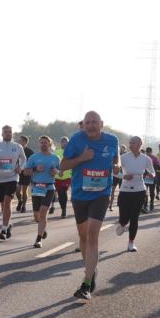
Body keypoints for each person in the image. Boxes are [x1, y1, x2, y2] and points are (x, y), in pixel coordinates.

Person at [60, 111, 120, 300]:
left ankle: (86, 284)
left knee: (93, 234)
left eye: (94, 122)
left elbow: (115, 160)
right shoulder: (76, 140)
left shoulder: (112, 140)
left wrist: (116, 167)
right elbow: (63, 166)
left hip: (101, 193)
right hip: (80, 194)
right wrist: (82, 158)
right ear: (83, 124)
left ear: (101, 124)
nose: (91, 126)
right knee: (83, 237)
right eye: (88, 123)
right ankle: (91, 271)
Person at [0, 126, 27, 240]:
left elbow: (24, 159)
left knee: (7, 202)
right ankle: (8, 225)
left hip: (12, 178)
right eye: (5, 132)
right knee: (3, 206)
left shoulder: (17, 147)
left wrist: (20, 168)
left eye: (10, 132)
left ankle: (3, 230)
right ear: (2, 134)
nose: (8, 134)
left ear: (12, 134)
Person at [116, 137, 156, 252]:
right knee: (124, 218)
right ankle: (123, 224)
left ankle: (131, 243)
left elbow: (152, 171)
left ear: (139, 145)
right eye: (130, 142)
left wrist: (151, 175)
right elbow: (113, 172)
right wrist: (123, 176)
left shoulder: (146, 159)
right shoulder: (122, 158)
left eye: (132, 143)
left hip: (139, 190)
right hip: (125, 190)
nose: (130, 144)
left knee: (134, 218)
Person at [23, 135, 60, 248]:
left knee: (43, 212)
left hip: (49, 188)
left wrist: (56, 171)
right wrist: (35, 169)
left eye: (45, 142)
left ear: (50, 144)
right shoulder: (34, 157)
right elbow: (25, 172)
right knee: (36, 216)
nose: (43, 144)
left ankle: (38, 239)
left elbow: (61, 172)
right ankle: (42, 230)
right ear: (39, 144)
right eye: (41, 142)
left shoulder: (55, 157)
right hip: (37, 188)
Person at [53, 136, 71, 218]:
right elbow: (53, 163)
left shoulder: (72, 152)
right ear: (60, 143)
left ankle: (64, 210)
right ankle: (63, 208)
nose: (64, 143)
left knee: (64, 191)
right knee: (60, 193)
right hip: (58, 176)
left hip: (68, 176)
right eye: (63, 142)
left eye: (66, 141)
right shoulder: (56, 152)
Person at [16, 135, 33, 213]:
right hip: (18, 173)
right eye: (19, 141)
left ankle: (24, 206)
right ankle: (20, 201)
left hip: (26, 173)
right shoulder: (16, 150)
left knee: (24, 190)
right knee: (17, 190)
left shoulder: (30, 151)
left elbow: (33, 162)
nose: (19, 142)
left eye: (21, 141)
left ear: (25, 142)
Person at [142, 147, 159, 212]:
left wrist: (152, 172)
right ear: (146, 152)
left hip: (152, 177)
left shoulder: (154, 158)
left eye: (149, 152)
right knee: (145, 192)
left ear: (151, 152)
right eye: (147, 152)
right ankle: (145, 205)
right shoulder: (143, 158)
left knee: (152, 191)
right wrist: (146, 173)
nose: (148, 154)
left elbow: (158, 167)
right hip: (145, 177)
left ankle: (152, 203)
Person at [109, 147, 125, 212]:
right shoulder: (114, 156)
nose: (121, 150)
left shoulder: (125, 156)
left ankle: (120, 203)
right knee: (112, 191)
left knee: (122, 192)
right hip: (115, 176)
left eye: (123, 149)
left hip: (121, 177)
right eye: (120, 149)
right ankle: (110, 205)